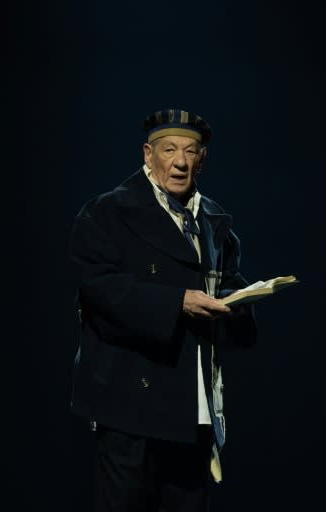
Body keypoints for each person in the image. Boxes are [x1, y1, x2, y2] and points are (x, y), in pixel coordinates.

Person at [68, 108, 257, 512]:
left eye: (191, 152)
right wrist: (178, 302)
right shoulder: (107, 213)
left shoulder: (214, 220)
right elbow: (98, 290)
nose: (180, 162)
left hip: (195, 408)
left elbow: (227, 283)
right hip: (130, 405)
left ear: (202, 160)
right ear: (148, 155)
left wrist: (244, 301)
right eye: (169, 150)